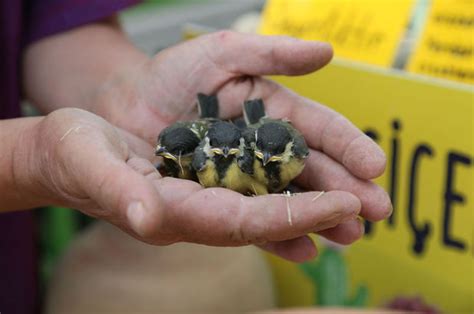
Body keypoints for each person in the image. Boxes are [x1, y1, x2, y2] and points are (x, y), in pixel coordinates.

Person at [0, 1, 392, 312]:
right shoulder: (208, 157)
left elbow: (55, 19)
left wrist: (117, 91)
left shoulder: (264, 152)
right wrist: (26, 157)